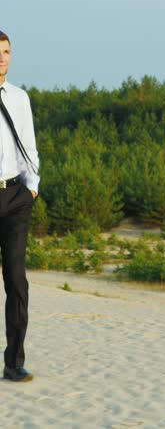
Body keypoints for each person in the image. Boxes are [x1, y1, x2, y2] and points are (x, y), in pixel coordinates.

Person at [0, 30, 39, 382]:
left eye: (6, 51)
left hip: (14, 197)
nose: (2, 58)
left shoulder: (19, 98)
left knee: (16, 281)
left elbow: (28, 144)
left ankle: (14, 363)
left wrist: (32, 188)